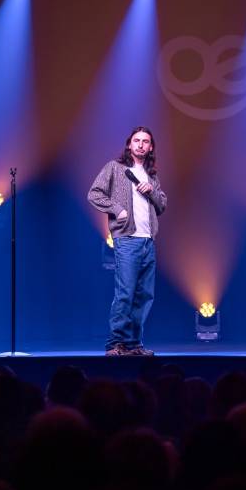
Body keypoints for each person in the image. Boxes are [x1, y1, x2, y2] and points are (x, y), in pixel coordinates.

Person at [88, 126, 168, 356]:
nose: (141, 144)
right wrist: (117, 210)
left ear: (151, 147)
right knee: (126, 292)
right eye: (136, 140)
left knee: (144, 295)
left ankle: (133, 345)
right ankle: (115, 344)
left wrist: (152, 191)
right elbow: (94, 193)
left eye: (145, 141)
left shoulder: (152, 175)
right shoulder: (115, 168)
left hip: (147, 240)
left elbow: (161, 205)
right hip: (127, 239)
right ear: (129, 144)